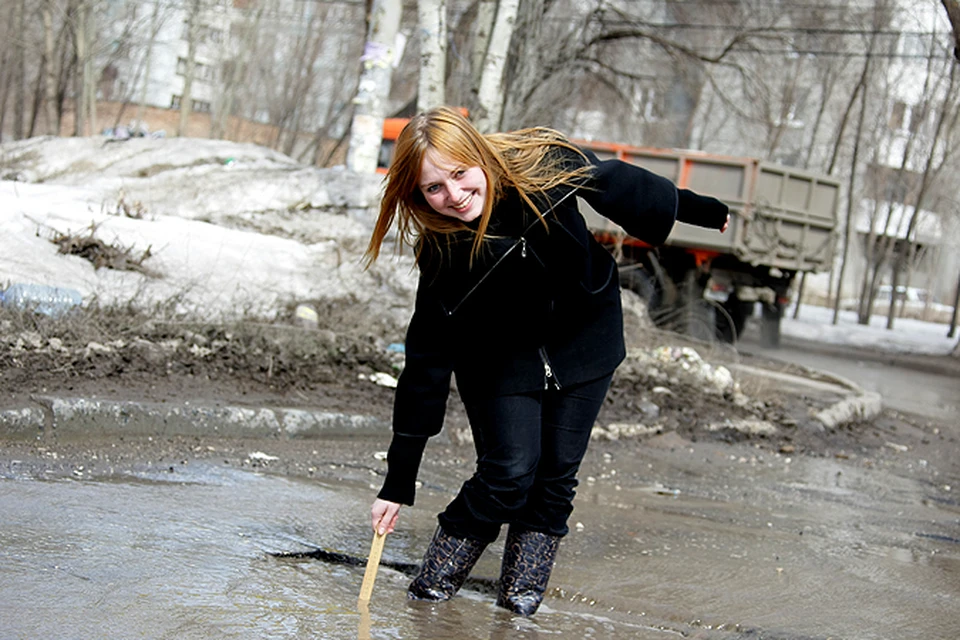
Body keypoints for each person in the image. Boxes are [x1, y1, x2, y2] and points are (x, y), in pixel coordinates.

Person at [364, 106, 729, 616]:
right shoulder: (442, 251)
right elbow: (426, 356)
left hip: (585, 338)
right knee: (508, 472)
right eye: (433, 188)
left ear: (481, 158)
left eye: (460, 174)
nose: (454, 195)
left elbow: (614, 181)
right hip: (497, 355)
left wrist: (699, 209)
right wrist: (399, 481)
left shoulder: (540, 167)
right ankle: (431, 589)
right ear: (417, 194)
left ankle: (519, 601)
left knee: (555, 477)